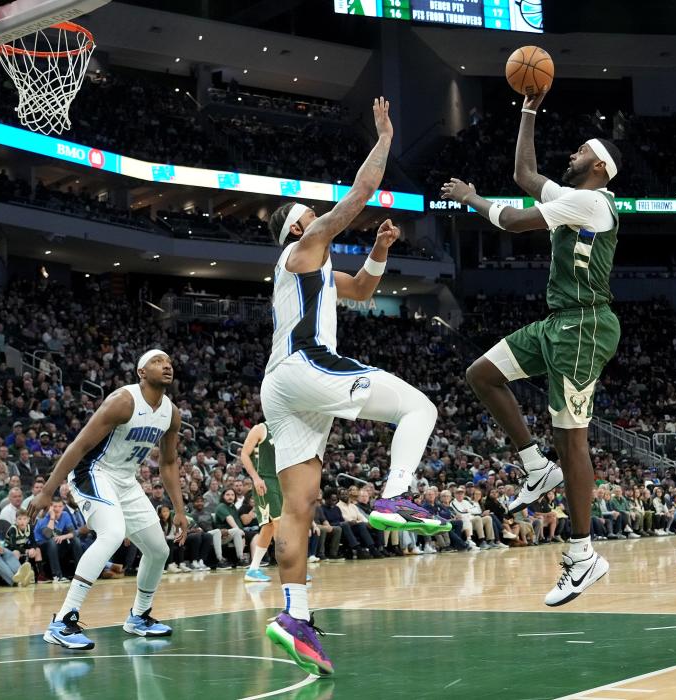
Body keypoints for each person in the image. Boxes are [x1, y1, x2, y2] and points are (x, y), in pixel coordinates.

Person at [260, 97, 445, 676]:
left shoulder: (314, 273)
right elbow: (360, 194)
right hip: (306, 366)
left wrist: (381, 251)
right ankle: (394, 494)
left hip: (280, 385)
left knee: (300, 506)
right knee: (419, 408)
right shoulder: (301, 248)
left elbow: (361, 290)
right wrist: (385, 138)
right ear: (295, 227)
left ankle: (294, 614)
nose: (317, 216)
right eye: (309, 213)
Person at [440, 86, 622, 606]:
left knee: (574, 440)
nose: (573, 155)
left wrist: (473, 198)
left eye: (582, 151)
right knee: (481, 373)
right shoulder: (574, 197)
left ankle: (584, 554)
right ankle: (535, 465)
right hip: (558, 323)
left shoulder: (591, 200)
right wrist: (527, 110)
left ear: (601, 167)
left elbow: (517, 220)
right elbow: (524, 176)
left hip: (585, 326)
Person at [28, 350, 187, 650]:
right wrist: (48, 490)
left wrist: (179, 509)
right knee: (112, 533)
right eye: (157, 361)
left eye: (169, 361)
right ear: (141, 372)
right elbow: (80, 444)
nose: (166, 365)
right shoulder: (123, 401)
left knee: (157, 550)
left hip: (125, 480)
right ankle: (62, 621)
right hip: (92, 471)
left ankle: (139, 616)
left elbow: (168, 463)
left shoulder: (171, 413)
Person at [240, 422, 280, 583]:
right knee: (279, 524)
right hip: (266, 481)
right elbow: (244, 454)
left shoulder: (285, 428)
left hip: (282, 481)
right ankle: (291, 569)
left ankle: (253, 569)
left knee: (269, 527)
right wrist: (256, 479)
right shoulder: (261, 428)